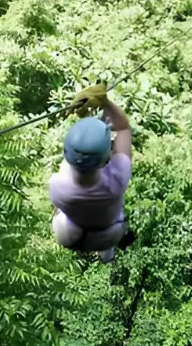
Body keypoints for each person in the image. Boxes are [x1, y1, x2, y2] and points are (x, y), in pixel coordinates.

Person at [48, 82, 133, 264]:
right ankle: (107, 256)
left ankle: (82, 249)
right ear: (106, 160)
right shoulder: (118, 178)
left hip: (68, 235)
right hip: (107, 235)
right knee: (115, 218)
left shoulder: (56, 186)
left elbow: (76, 159)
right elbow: (123, 128)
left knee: (63, 199)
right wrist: (105, 103)